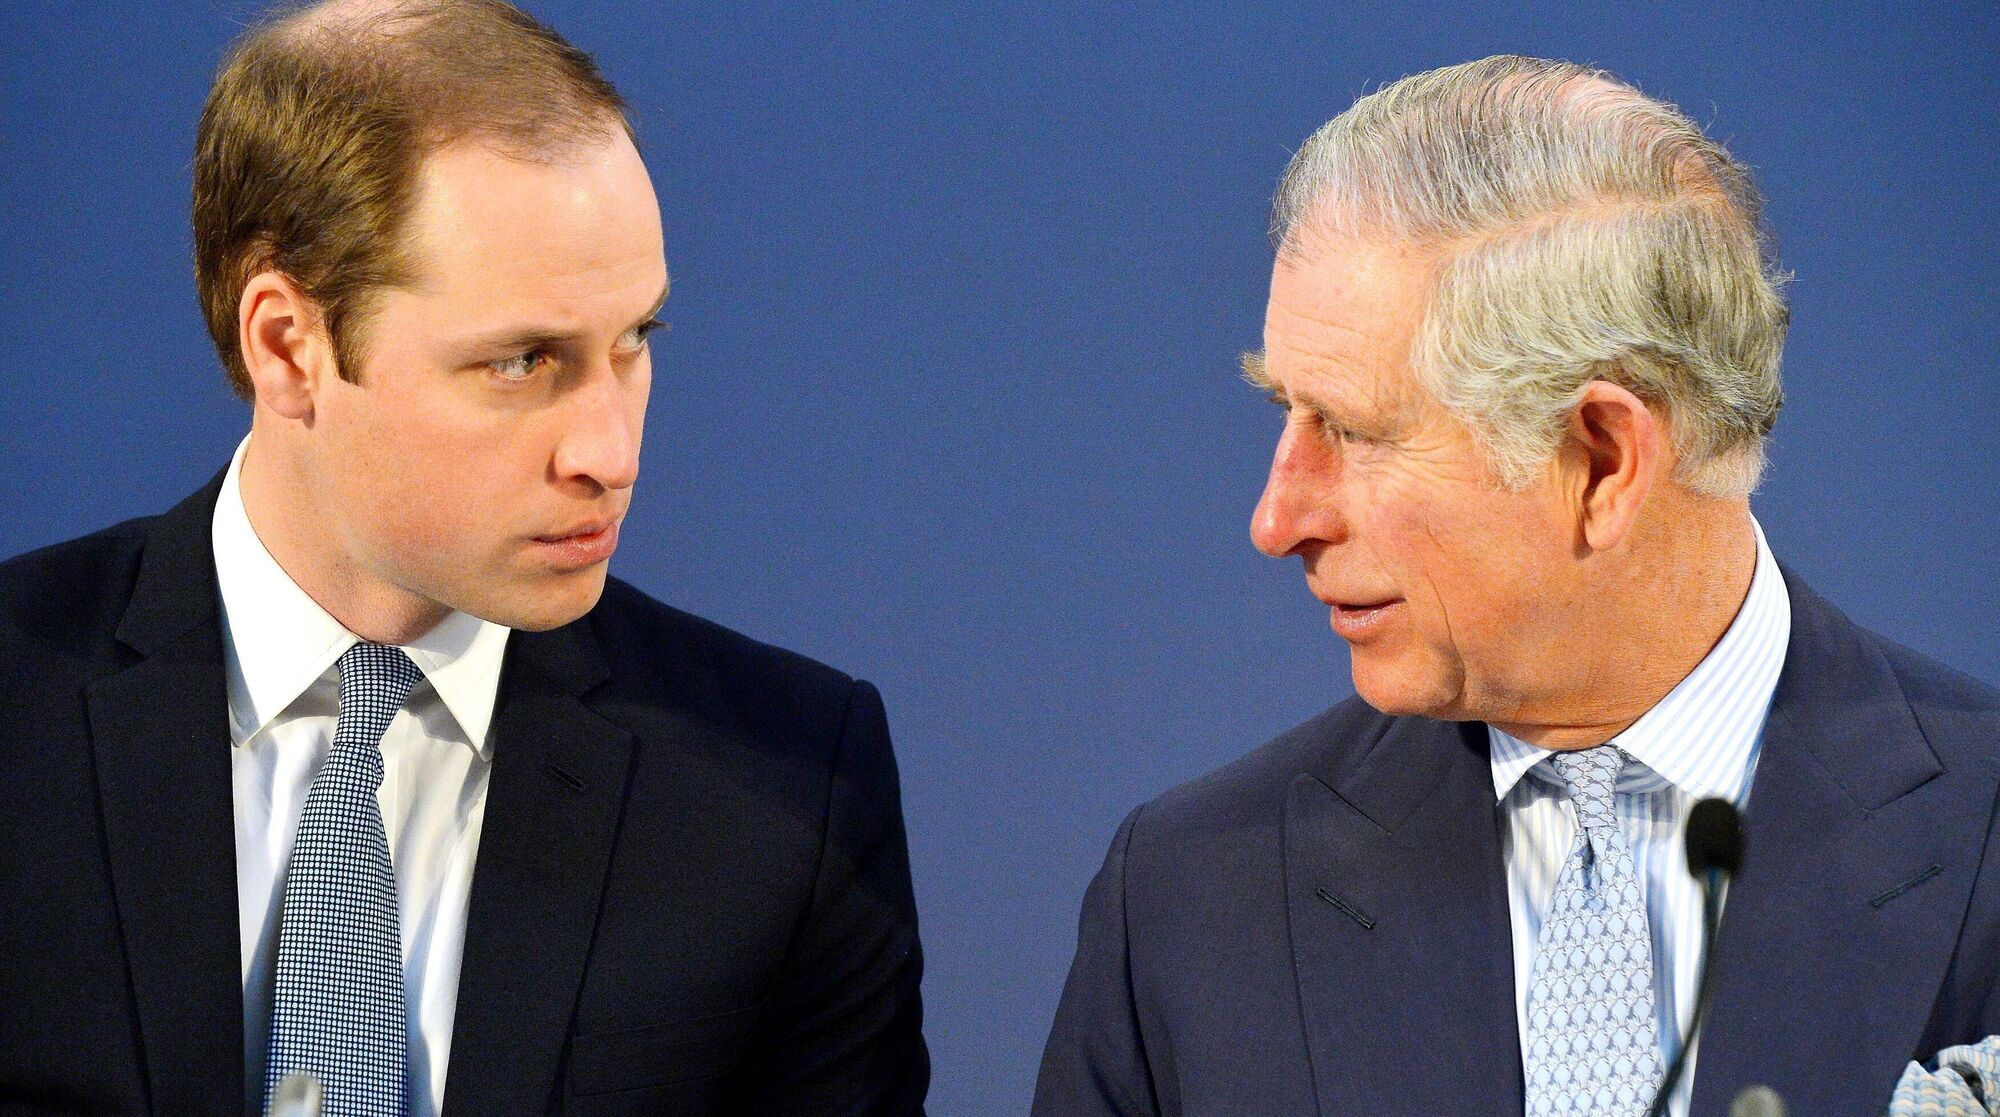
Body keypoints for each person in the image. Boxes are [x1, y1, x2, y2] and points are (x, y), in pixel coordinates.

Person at [0, 2, 927, 1114]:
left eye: (635, 340)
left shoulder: (789, 792)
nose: (610, 453)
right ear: (287, 346)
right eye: (522, 361)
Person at [1033, 55, 2000, 1117]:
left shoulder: (1982, 838)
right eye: (1284, 411)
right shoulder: (1189, 904)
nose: (1277, 520)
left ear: (1602, 460)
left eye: (1355, 431)